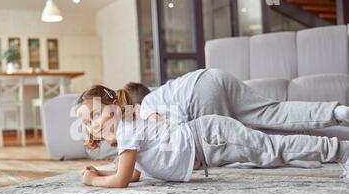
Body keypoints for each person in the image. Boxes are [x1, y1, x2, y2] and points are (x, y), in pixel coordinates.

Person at [75, 85, 349, 188]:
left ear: (114, 108)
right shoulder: (128, 130)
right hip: (208, 142)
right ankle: (338, 144)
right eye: (87, 124)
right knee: (272, 152)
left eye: (96, 115)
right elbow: (133, 174)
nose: (93, 126)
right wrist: (101, 171)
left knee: (274, 149)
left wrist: (93, 181)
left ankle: (341, 151)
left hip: (208, 138)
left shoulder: (128, 129)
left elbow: (122, 180)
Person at [138, 68, 349, 130]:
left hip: (200, 93)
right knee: (272, 112)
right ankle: (336, 112)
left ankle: (299, 154)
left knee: (224, 150)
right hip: (213, 76)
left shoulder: (146, 106)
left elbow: (164, 135)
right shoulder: (162, 94)